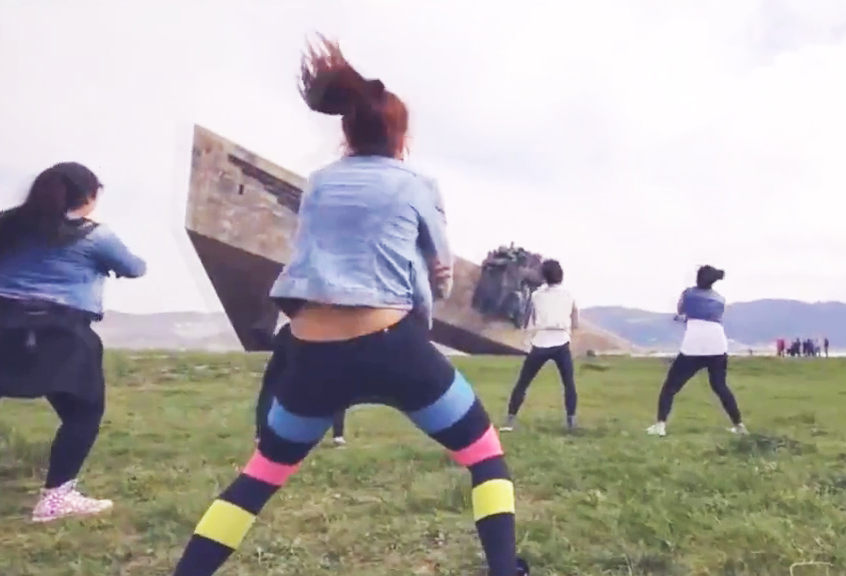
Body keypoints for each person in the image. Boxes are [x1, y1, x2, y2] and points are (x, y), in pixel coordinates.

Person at [171, 36, 528, 576]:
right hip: (393, 347)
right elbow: (442, 267)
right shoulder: (416, 184)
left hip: (311, 353)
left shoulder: (318, 184)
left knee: (260, 476)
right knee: (485, 457)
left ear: (348, 131)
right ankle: (504, 569)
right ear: (400, 136)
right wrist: (433, 283)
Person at [0, 162, 146, 522]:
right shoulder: (95, 236)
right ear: (88, 197)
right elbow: (135, 267)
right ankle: (55, 499)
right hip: (60, 334)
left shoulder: (5, 223)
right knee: (83, 412)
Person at [647, 265, 747, 437]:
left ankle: (660, 426)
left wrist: (682, 317)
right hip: (718, 343)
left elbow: (681, 310)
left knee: (670, 386)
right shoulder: (720, 299)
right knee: (720, 386)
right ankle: (739, 426)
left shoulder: (689, 294)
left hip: (694, 344)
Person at [501, 259, 579, 433]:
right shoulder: (569, 295)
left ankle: (510, 418)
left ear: (543, 276)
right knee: (568, 383)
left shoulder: (536, 295)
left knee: (523, 382)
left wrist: (527, 338)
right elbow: (575, 321)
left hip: (541, 341)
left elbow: (530, 319)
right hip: (561, 341)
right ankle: (571, 421)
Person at [254, 319, 348, 446]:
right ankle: (338, 435)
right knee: (336, 390)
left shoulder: (289, 329)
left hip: (293, 354)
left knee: (268, 390)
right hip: (318, 353)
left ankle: (261, 433)